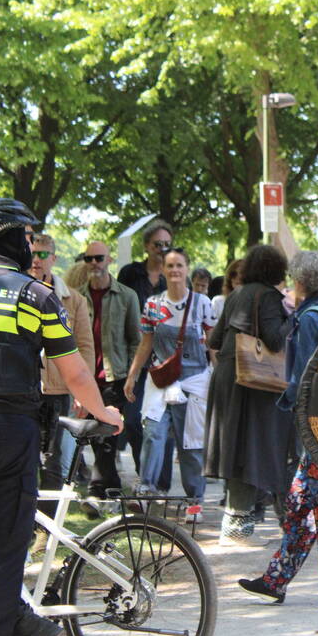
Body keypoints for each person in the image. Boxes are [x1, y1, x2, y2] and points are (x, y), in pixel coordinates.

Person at [0, 198, 122, 636]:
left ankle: (16, 629)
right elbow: (75, 371)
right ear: (10, 237)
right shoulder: (33, 294)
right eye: (26, 238)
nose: (30, 247)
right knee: (0, 551)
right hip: (6, 434)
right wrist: (106, 414)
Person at [237, 250, 318, 607]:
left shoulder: (309, 320)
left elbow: (305, 378)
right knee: (299, 504)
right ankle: (276, 579)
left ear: (300, 281)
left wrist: (285, 405)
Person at [205, 245, 291, 543]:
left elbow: (215, 340)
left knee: (235, 449)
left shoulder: (237, 294)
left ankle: (237, 523)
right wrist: (292, 316)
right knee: (250, 449)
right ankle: (237, 531)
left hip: (228, 376)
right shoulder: (267, 297)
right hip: (252, 382)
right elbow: (275, 341)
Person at [125, 247, 216, 520]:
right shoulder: (153, 304)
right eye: (170, 266)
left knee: (191, 445)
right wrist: (132, 375)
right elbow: (146, 343)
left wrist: (220, 378)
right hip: (161, 379)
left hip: (195, 381)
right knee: (153, 433)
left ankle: (194, 502)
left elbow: (213, 345)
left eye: (179, 265)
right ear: (163, 270)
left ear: (187, 268)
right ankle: (145, 491)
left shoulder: (202, 303)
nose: (175, 270)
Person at [29, 234, 96, 516]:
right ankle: (25, 526)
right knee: (23, 460)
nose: (36, 259)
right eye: (32, 253)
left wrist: (84, 394)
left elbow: (85, 348)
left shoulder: (74, 300)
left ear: (54, 259)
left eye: (43, 254)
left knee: (54, 463)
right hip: (24, 390)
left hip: (58, 392)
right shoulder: (17, 292)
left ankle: (46, 527)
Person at [78, 241, 141, 516]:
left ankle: (96, 491)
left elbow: (135, 339)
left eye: (99, 258)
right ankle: (111, 489)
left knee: (106, 436)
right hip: (84, 376)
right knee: (97, 435)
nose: (94, 263)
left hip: (114, 376)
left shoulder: (126, 296)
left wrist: (128, 374)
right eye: (89, 258)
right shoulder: (77, 297)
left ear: (109, 259)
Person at [118, 220, 173, 490]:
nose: (162, 249)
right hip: (137, 355)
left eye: (166, 244)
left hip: (166, 360)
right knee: (133, 420)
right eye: (157, 244)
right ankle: (144, 474)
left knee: (164, 423)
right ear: (146, 247)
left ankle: (159, 484)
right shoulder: (131, 273)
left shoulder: (172, 275)